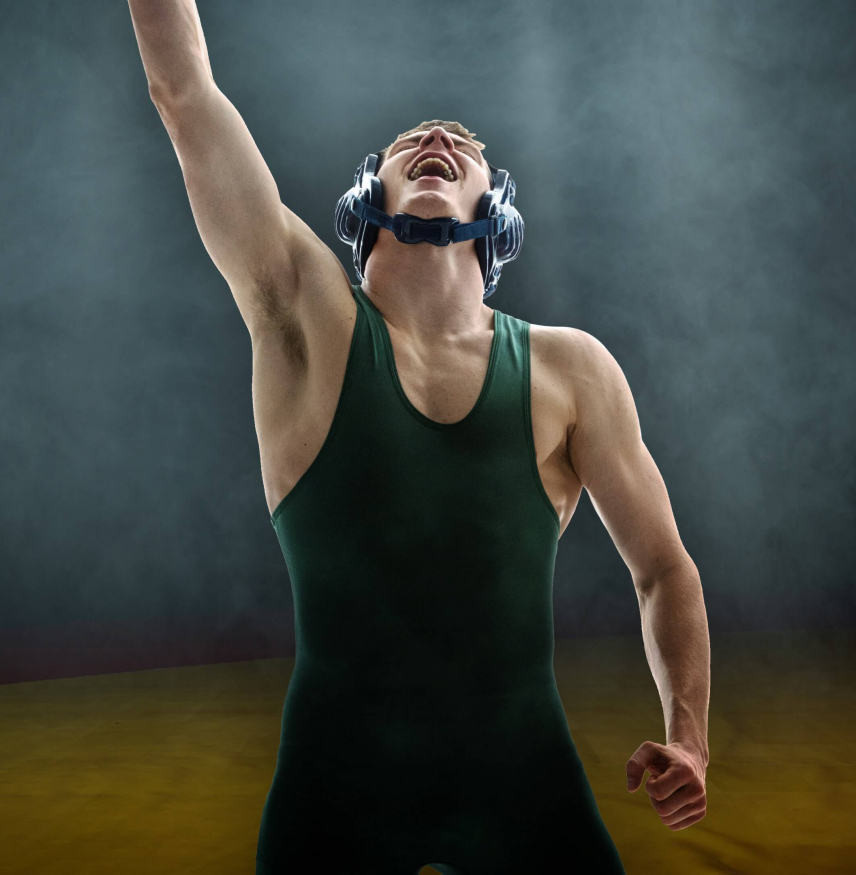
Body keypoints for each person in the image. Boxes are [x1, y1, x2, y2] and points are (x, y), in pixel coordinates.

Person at [127, 2, 711, 871]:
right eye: (412, 141)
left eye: (463, 143)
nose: (439, 136)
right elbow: (184, 91)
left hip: (525, 779)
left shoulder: (569, 371)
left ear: (493, 204)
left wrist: (690, 740)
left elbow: (663, 567)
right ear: (371, 197)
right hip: (337, 784)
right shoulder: (304, 313)